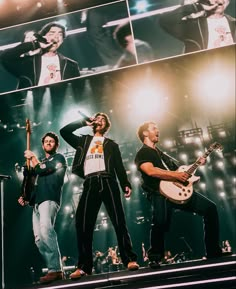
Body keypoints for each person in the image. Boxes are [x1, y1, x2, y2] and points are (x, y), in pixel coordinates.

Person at [60, 112, 139, 279]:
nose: (99, 121)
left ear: (106, 126)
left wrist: (125, 183)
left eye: (103, 120)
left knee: (119, 220)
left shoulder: (111, 144)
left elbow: (118, 166)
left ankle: (129, 259)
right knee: (82, 223)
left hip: (108, 181)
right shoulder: (83, 141)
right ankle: (84, 267)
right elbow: (64, 132)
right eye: (97, 118)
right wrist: (83, 122)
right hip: (90, 182)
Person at [134, 121, 222, 268]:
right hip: (159, 193)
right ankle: (155, 257)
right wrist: (175, 175)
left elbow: (182, 172)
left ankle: (213, 250)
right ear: (145, 133)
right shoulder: (143, 153)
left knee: (210, 208)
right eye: (154, 128)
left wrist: (197, 164)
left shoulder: (162, 154)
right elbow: (150, 171)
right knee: (160, 221)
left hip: (178, 191)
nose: (158, 130)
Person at [18, 132, 67, 283]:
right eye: (46, 141)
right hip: (37, 203)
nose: (49, 143)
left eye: (52, 141)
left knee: (46, 230)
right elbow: (31, 180)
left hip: (49, 199)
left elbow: (40, 169)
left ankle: (56, 269)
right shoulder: (41, 162)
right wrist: (25, 196)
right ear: (43, 144)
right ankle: (52, 268)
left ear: (56, 144)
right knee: (39, 238)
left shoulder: (58, 158)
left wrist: (33, 158)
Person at [1, 22, 80, 90]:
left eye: (60, 34)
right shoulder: (28, 63)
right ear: (43, 37)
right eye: (51, 33)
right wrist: (36, 44)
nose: (56, 37)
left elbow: (78, 89)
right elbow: (4, 57)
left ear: (62, 40)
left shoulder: (71, 65)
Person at [159, 0, 235, 53]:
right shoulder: (194, 26)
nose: (219, 0)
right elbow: (164, 21)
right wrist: (197, 7)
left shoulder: (234, 23)